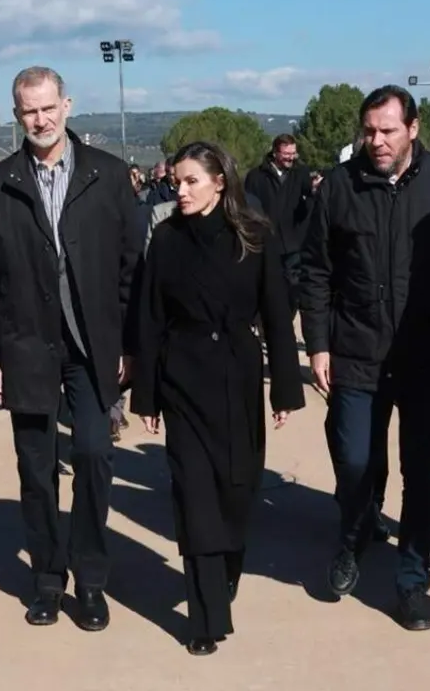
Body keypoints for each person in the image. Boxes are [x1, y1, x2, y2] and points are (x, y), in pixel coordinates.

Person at [0, 66, 141, 631]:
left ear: (67, 105)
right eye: (28, 112)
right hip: (25, 347)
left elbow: (131, 267)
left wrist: (129, 344)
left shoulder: (108, 176)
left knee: (92, 454)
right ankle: (46, 579)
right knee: (36, 470)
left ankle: (90, 581)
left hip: (93, 348)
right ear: (17, 115)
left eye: (47, 108)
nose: (39, 120)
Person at [300, 84, 430, 630]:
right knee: (355, 460)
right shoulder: (339, 186)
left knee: (420, 472)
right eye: (369, 131)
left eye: (388, 130)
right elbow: (316, 270)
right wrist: (319, 342)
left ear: (414, 128)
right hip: (357, 350)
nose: (376, 141)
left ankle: (411, 579)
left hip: (426, 357)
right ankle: (353, 537)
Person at [131, 141, 305, 656]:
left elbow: (276, 315)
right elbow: (150, 319)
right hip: (182, 377)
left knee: (238, 489)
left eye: (191, 181)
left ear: (219, 182)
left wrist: (285, 390)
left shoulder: (254, 236)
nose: (179, 191)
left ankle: (227, 564)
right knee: (194, 496)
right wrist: (147, 397)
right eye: (177, 182)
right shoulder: (164, 239)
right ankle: (206, 615)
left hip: (238, 374)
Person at [243, 134, 319, 313]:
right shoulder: (256, 177)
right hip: (267, 241)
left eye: (294, 153)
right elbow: (249, 207)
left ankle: (288, 317)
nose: (291, 158)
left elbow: (310, 199)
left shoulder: (300, 173)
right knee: (268, 285)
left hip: (294, 241)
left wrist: (314, 193)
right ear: (275, 153)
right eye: (286, 154)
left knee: (293, 287)